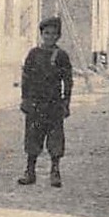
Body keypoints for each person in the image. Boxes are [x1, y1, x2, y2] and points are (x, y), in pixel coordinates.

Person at [19, 16, 73, 188]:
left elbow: (68, 81)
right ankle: (30, 171)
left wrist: (66, 103)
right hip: (35, 104)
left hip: (54, 104)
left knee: (55, 138)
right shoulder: (33, 54)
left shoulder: (62, 56)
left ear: (58, 36)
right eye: (46, 33)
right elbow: (26, 78)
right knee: (33, 137)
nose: (50, 37)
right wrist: (25, 99)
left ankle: (55, 172)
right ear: (42, 34)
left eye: (54, 34)